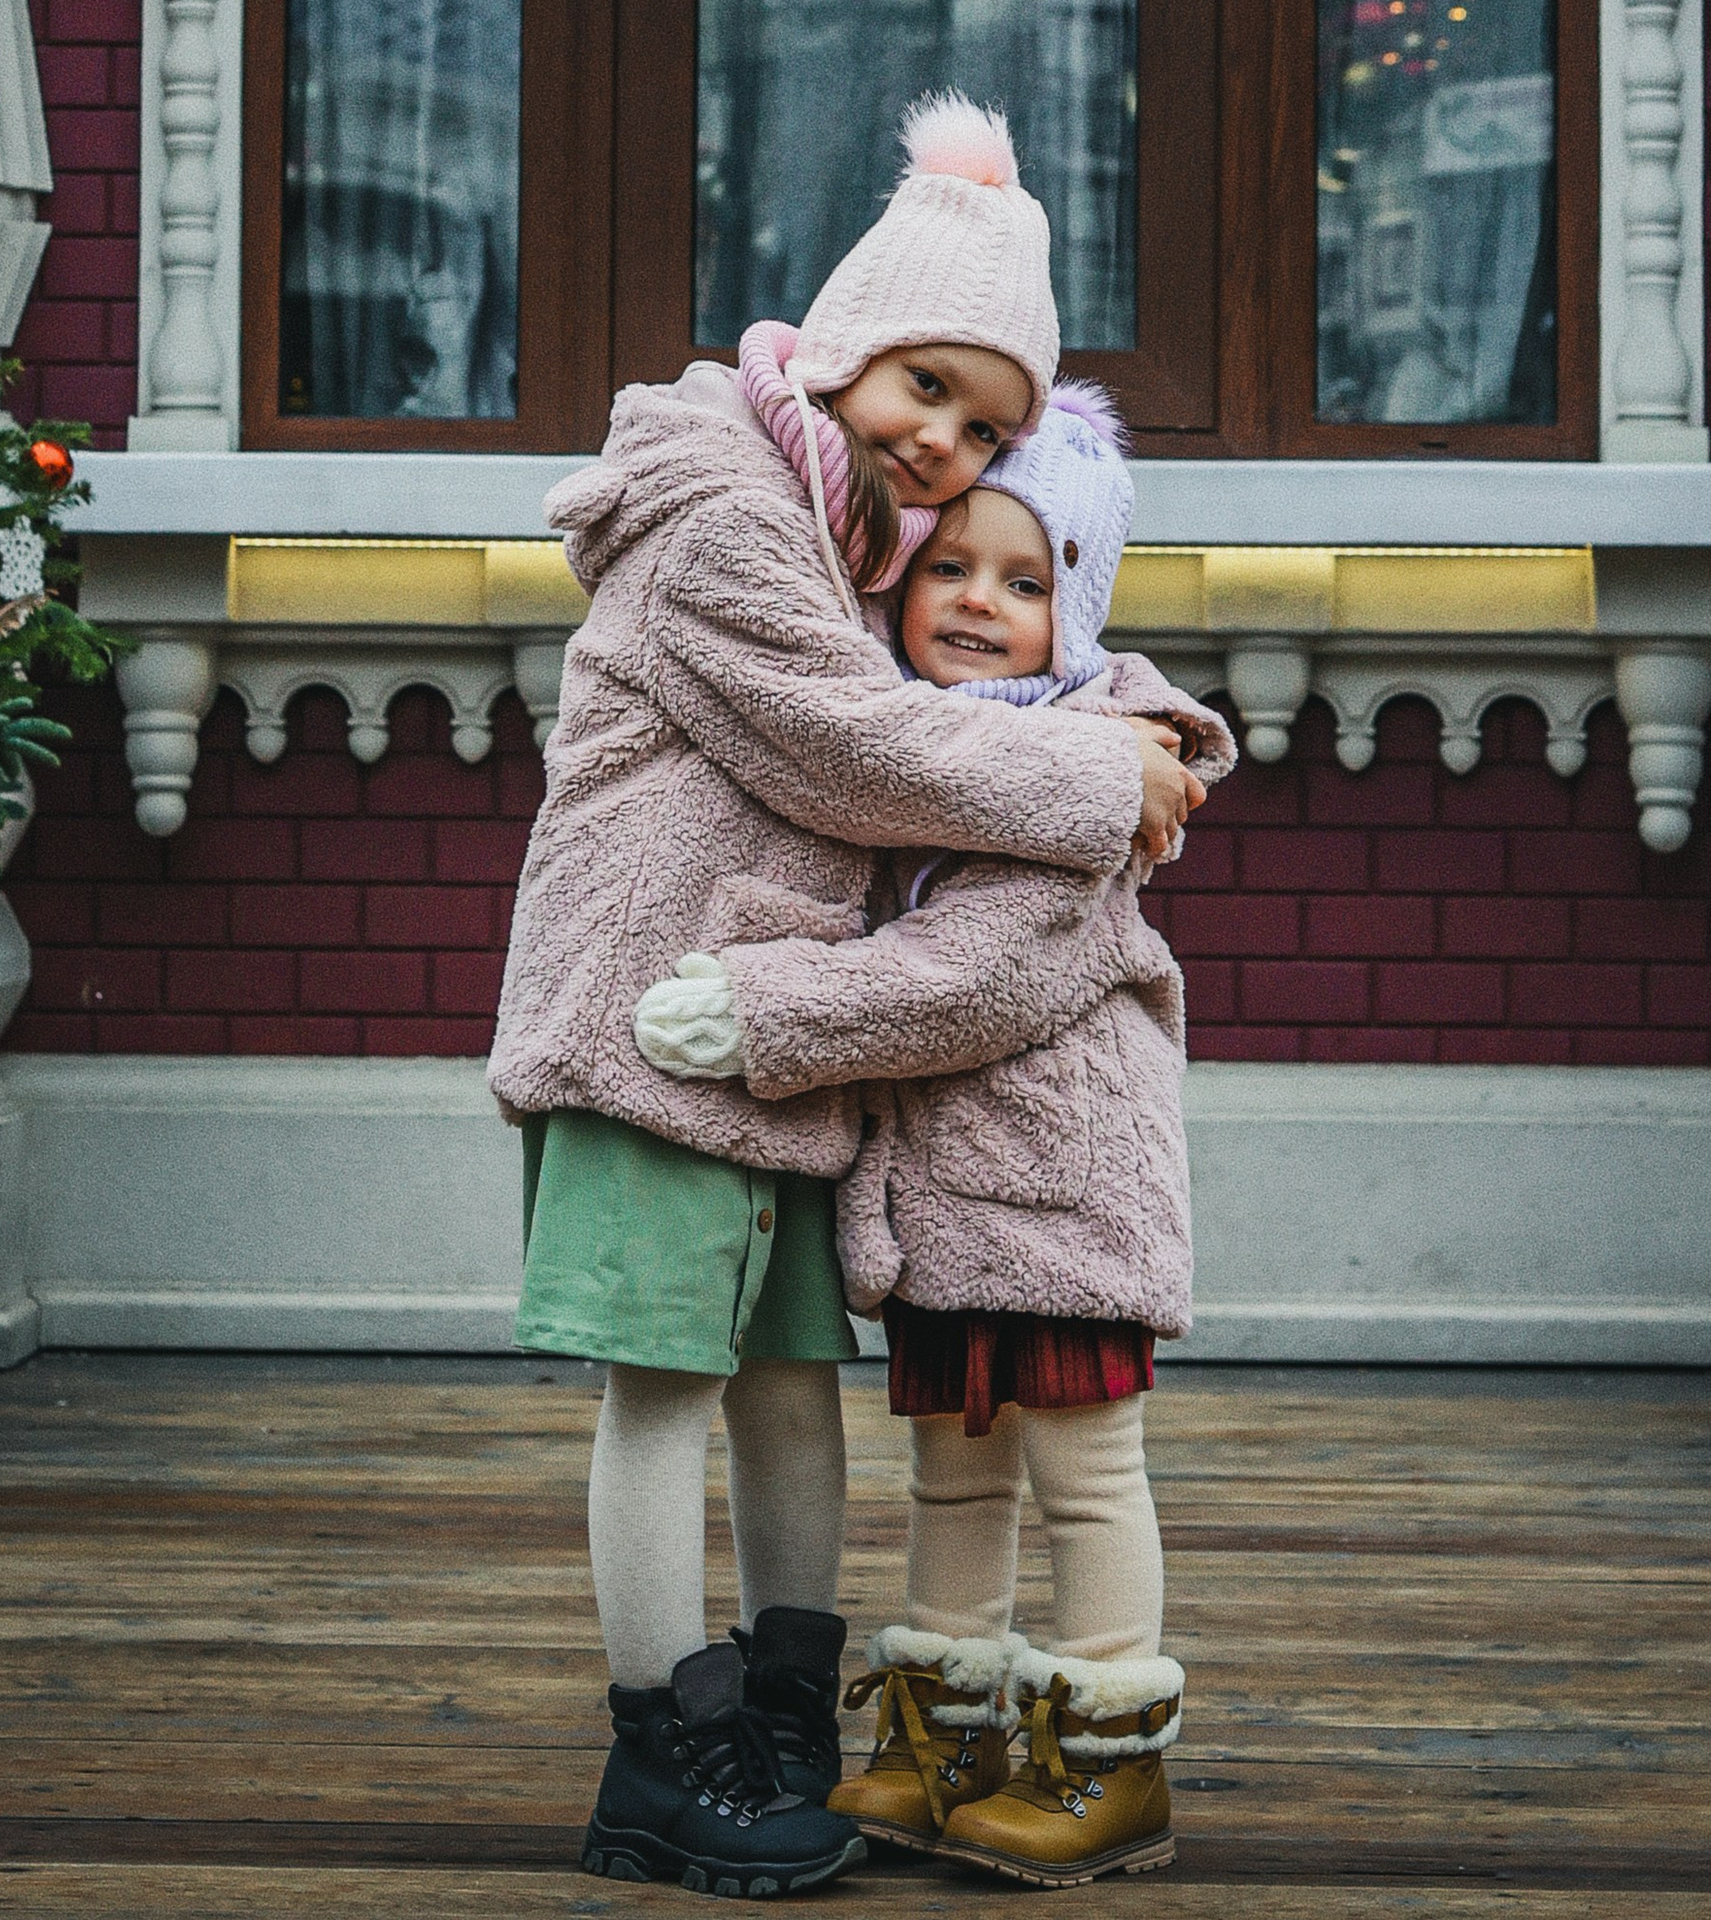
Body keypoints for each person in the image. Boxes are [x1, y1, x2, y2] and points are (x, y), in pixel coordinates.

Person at [489, 95, 1206, 1896]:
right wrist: (1113, 777)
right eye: (928, 392)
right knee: (664, 1376)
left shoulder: (857, 533)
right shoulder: (723, 509)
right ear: (843, 347)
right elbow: (852, 748)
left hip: (780, 1022)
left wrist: (1096, 730)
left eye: (987, 427)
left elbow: (930, 716)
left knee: (790, 1374)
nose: (946, 446)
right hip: (652, 1010)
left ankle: (793, 1710)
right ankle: (663, 1741)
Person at [635, 382, 1232, 1887]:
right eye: (952, 569)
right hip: (949, 1206)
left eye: (1026, 584)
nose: (979, 604)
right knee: (958, 1473)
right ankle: (941, 1729)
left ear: (1078, 612)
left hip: (1062, 1194)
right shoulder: (915, 748)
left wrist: (768, 1014)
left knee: (1086, 1475)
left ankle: (1109, 1756)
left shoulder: (1095, 766)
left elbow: (969, 977)